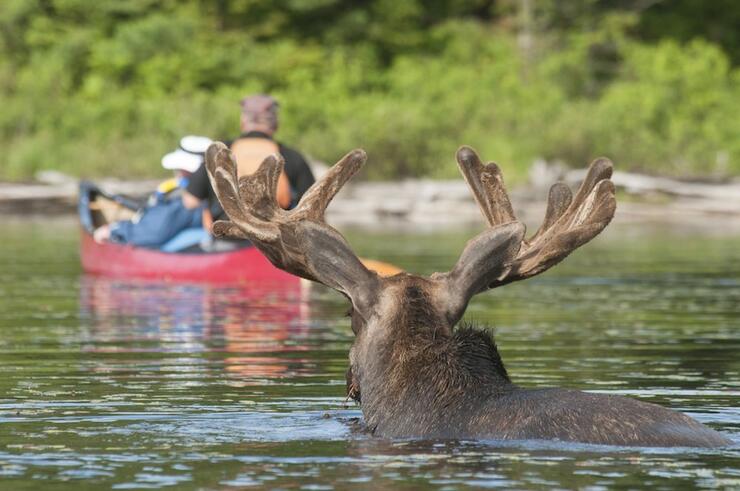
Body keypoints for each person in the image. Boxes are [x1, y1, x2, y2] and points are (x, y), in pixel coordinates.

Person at [183, 94, 315, 232]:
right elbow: (311, 208)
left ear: (243, 122)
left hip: (227, 240)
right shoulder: (292, 156)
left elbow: (190, 202)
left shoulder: (221, 153)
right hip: (275, 242)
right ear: (275, 123)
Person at [93, 136, 212, 250]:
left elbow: (155, 231)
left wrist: (113, 230)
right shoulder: (215, 191)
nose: (177, 172)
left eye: (180, 169)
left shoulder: (188, 200)